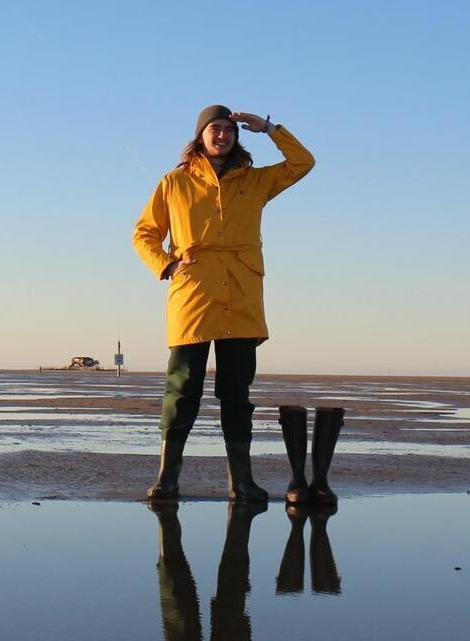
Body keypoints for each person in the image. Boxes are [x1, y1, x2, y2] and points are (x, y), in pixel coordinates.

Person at [133, 105, 314, 503]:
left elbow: (303, 162)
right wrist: (166, 264)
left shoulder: (255, 181)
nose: (222, 136)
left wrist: (269, 129)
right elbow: (145, 233)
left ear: (237, 136)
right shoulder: (174, 183)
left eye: (229, 130)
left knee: (236, 393)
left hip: (241, 295)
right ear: (201, 136)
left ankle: (241, 481)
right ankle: (167, 479)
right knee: (181, 390)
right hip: (192, 294)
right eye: (214, 129)